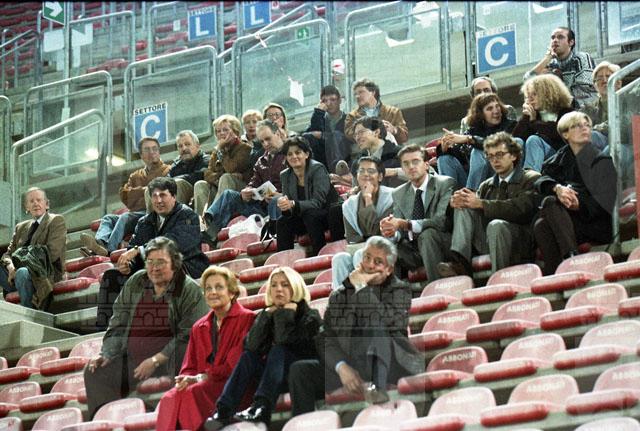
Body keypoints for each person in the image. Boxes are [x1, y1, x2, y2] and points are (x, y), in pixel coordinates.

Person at [288, 236, 423, 417]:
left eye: (378, 262)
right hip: (352, 362)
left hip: (390, 363)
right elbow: (324, 338)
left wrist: (360, 286)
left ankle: (378, 386)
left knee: (374, 323)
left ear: (389, 269)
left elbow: (383, 322)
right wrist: (341, 367)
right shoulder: (340, 295)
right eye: (367, 258)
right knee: (300, 371)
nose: (370, 265)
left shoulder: (400, 289)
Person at [85, 237, 209, 419]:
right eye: (150, 262)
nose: (154, 268)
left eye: (161, 262)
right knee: (95, 371)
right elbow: (118, 322)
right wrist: (107, 353)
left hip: (172, 360)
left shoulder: (189, 289)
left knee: (185, 349)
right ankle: (106, 422)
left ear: (174, 264)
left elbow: (189, 335)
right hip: (135, 361)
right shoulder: (137, 281)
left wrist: (156, 360)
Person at [204, 267, 322, 430]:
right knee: (248, 357)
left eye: (285, 285)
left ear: (295, 287)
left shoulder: (310, 316)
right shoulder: (266, 315)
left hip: (298, 378)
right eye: (273, 285)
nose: (278, 289)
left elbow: (284, 341)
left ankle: (261, 407)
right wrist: (265, 316)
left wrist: (285, 314)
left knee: (278, 350)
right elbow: (251, 346)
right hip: (272, 378)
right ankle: (223, 411)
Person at [97, 177, 209, 330]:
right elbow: (133, 250)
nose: (158, 200)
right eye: (154, 196)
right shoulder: (144, 222)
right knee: (111, 276)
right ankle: (106, 330)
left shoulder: (187, 216)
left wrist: (139, 250)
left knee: (159, 270)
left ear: (174, 196)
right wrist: (128, 266)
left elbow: (172, 244)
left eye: (163, 195)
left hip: (186, 267)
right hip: (150, 270)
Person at [156, 266, 255, 431]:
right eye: (208, 288)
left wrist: (202, 377)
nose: (213, 292)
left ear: (232, 292)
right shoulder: (198, 326)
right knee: (169, 397)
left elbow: (236, 365)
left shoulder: (248, 319)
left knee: (191, 394)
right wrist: (186, 379)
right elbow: (189, 366)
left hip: (233, 388)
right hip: (203, 386)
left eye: (219, 287)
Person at [438, 132, 540, 276]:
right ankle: (461, 263)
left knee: (496, 225)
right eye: (490, 156)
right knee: (465, 204)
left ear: (513, 156)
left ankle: (499, 278)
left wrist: (482, 204)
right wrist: (454, 204)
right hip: (489, 239)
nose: (495, 160)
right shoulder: (486, 185)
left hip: (521, 241)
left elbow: (521, 209)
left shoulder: (530, 178)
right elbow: (469, 212)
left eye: (499, 154)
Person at [534, 111, 617, 275]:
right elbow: (539, 181)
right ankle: (561, 272)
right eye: (577, 126)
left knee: (548, 209)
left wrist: (579, 205)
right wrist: (557, 188)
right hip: (567, 221)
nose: (585, 128)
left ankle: (569, 264)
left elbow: (607, 201)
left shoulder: (602, 160)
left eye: (587, 125)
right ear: (565, 134)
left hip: (594, 223)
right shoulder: (558, 160)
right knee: (541, 224)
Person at [81, 137, 170, 257]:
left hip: (152, 214)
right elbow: (126, 197)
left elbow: (159, 193)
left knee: (124, 217)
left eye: (155, 149)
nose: (152, 152)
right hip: (136, 214)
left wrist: (137, 195)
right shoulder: (135, 176)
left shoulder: (167, 171)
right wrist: (145, 191)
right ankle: (100, 243)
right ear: (141, 155)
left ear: (159, 152)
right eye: (147, 149)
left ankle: (108, 250)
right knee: (108, 218)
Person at [380, 144, 455, 281]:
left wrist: (406, 224)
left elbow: (441, 222)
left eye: (415, 162)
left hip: (442, 243)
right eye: (406, 164)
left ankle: (436, 288)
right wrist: (391, 231)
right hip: (415, 250)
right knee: (385, 247)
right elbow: (399, 229)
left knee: (427, 235)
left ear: (426, 165)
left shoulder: (444, 183)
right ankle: (395, 292)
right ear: (402, 169)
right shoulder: (398, 193)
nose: (411, 167)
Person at [203, 120, 286, 242]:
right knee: (229, 195)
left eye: (268, 139)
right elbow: (254, 182)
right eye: (262, 141)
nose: (266, 144)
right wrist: (247, 190)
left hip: (282, 204)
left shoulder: (290, 154)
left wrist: (280, 195)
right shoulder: (261, 161)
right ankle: (210, 232)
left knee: (275, 200)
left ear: (277, 134)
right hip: (261, 206)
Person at [332, 157, 394, 287]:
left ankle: (366, 296)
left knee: (361, 254)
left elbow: (377, 231)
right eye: (361, 171)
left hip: (388, 249)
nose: (366, 174)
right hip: (362, 249)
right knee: (339, 258)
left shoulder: (392, 197)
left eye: (371, 171)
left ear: (380, 176)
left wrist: (368, 198)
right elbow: (351, 238)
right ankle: (340, 297)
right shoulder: (349, 205)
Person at [0, 187, 66, 310]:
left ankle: (29, 313)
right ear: (27, 207)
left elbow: (52, 253)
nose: (35, 203)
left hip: (45, 273)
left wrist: (20, 266)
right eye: (31, 201)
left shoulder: (56, 221)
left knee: (22, 272)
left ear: (47, 204)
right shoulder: (20, 227)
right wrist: (11, 267)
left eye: (39, 200)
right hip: (17, 275)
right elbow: (7, 255)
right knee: (16, 271)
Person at [276, 136, 342, 256]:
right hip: (304, 217)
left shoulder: (317, 169)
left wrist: (293, 204)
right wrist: (284, 205)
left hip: (327, 215)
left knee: (310, 215)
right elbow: (289, 206)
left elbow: (317, 203)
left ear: (306, 154)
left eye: (298, 152)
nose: (294, 156)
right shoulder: (285, 175)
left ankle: (320, 254)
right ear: (286, 158)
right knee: (282, 221)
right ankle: (284, 259)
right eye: (289, 154)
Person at [439, 93, 518, 190]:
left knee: (478, 152)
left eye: (497, 106)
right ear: (480, 114)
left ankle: (471, 193)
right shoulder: (473, 130)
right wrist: (446, 147)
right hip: (472, 178)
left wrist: (470, 139)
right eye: (490, 109)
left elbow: (497, 146)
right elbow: (458, 153)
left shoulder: (511, 125)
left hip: (496, 176)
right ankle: (449, 197)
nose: (496, 111)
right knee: (445, 158)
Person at [512, 74, 575, 172]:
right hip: (537, 156)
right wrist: (526, 117)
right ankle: (514, 178)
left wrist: (534, 122)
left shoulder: (566, 111)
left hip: (561, 156)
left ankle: (531, 176)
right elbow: (516, 137)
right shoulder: (534, 114)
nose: (530, 99)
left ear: (548, 93)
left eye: (534, 94)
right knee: (517, 142)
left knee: (534, 140)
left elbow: (558, 132)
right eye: (528, 96)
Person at [193, 115, 252, 217]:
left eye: (225, 130)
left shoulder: (245, 148)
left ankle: (215, 215)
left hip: (241, 190)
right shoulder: (218, 150)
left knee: (226, 178)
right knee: (200, 184)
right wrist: (218, 177)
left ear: (235, 132)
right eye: (218, 131)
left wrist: (221, 151)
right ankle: (201, 220)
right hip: (221, 188)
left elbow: (231, 168)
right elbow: (207, 175)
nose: (221, 133)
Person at [524, 27, 598, 108]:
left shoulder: (581, 58)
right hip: (565, 109)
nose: (555, 40)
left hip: (588, 107)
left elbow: (582, 94)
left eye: (560, 37)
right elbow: (527, 81)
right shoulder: (551, 64)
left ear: (571, 42)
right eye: (553, 38)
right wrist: (547, 58)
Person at [344, 78, 408, 160]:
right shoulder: (352, 116)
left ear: (373, 92)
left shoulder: (393, 112)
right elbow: (349, 135)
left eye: (361, 92)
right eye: (355, 94)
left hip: (391, 150)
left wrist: (394, 130)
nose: (357, 96)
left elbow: (404, 137)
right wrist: (366, 129)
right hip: (365, 153)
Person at [302, 85, 347, 172]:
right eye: (325, 101)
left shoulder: (347, 119)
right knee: (306, 136)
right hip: (322, 160)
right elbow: (310, 134)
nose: (329, 104)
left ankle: (338, 168)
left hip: (343, 158)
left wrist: (322, 135)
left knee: (336, 135)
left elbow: (346, 138)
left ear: (340, 100)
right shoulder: (320, 118)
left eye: (333, 99)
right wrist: (319, 112)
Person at [167, 130, 210, 205]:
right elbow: (167, 181)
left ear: (197, 145)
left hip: (205, 194)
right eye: (180, 146)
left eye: (187, 144)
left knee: (178, 183)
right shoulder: (175, 165)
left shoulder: (206, 160)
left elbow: (199, 176)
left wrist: (176, 179)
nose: (184, 148)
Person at [581, 61, 621, 137]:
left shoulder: (627, 102)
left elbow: (622, 123)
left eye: (608, 76)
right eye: (599, 78)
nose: (604, 81)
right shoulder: (588, 108)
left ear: (618, 83)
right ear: (595, 85)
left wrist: (595, 129)